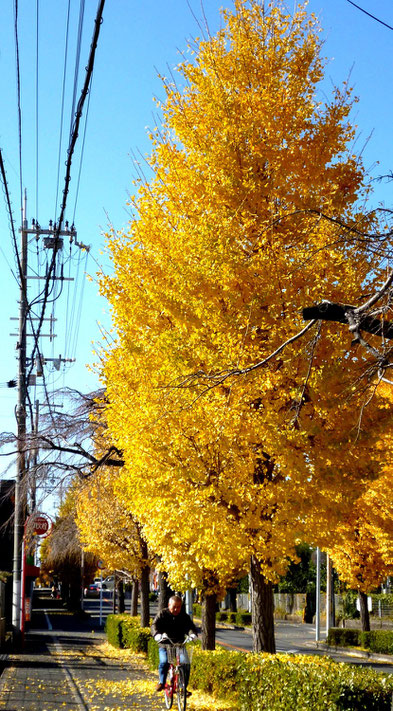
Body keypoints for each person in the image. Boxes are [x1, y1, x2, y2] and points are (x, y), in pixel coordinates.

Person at [151, 595, 198, 693]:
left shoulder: (184, 616)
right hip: (165, 644)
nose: (176, 609)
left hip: (179, 644)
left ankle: (183, 688)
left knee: (186, 664)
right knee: (164, 662)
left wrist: (192, 634)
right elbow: (154, 625)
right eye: (174, 607)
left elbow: (190, 627)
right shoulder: (162, 614)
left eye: (179, 607)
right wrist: (157, 635)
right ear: (169, 605)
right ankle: (162, 682)